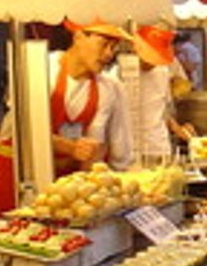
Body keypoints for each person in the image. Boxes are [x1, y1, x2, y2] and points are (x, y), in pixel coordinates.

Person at [51, 19, 134, 174]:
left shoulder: (109, 88)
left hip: (73, 182)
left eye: (114, 47)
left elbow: (106, 151)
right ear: (78, 37)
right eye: (104, 44)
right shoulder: (41, 70)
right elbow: (23, 136)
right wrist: (69, 147)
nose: (109, 53)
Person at [133, 24, 194, 162]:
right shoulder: (122, 75)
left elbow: (162, 110)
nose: (154, 62)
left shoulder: (162, 72)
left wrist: (178, 129)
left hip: (160, 147)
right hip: (133, 149)